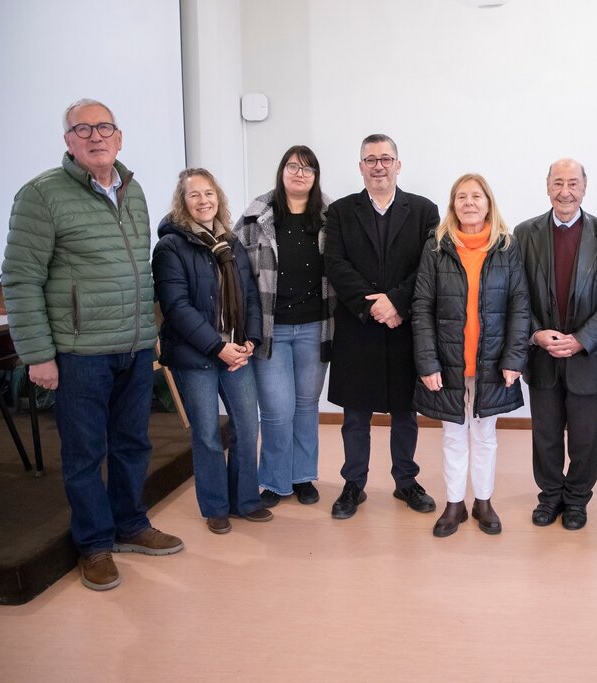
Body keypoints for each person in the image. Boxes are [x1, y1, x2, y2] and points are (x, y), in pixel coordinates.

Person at [1, 98, 183, 591]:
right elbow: (20, 280)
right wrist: (38, 354)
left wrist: (151, 332)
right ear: (68, 142)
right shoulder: (41, 195)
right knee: (84, 454)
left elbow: (139, 271)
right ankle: (94, 544)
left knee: (133, 444)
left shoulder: (136, 190)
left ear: (119, 137)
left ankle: (130, 525)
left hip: (135, 345)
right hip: (79, 353)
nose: (95, 136)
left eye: (104, 127)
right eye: (82, 129)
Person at [324, 134, 439, 519]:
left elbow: (429, 266)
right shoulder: (340, 212)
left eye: (385, 158)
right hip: (359, 328)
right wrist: (374, 306)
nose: (378, 166)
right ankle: (353, 484)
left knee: (406, 412)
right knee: (356, 415)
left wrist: (397, 302)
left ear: (398, 165)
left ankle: (406, 481)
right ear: (360, 167)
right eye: (370, 159)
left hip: (405, 327)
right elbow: (336, 265)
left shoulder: (425, 211)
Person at [153, 169, 271, 534]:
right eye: (194, 195)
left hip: (236, 352)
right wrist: (218, 347)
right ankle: (216, 507)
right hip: (197, 358)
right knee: (206, 433)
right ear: (182, 202)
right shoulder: (171, 247)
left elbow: (249, 294)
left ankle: (245, 500)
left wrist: (250, 339)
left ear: (218, 197)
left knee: (247, 427)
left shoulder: (230, 242)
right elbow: (177, 308)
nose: (204, 201)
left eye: (209, 193)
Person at [412, 174, 530, 537]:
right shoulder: (436, 247)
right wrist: (428, 362)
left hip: (491, 362)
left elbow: (519, 306)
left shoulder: (506, 248)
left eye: (476, 196)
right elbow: (422, 306)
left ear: (488, 203)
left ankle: (483, 501)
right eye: (461, 197)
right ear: (453, 206)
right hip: (449, 363)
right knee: (452, 434)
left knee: (485, 435)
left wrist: (514, 359)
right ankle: (453, 504)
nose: (469, 203)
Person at [514, 158, 597, 530]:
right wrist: (534, 333)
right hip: (542, 354)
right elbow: (517, 294)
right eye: (558, 183)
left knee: (585, 438)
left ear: (585, 187)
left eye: (573, 183)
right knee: (545, 435)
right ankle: (549, 497)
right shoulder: (524, 234)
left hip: (587, 357)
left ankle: (577, 500)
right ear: (547, 187)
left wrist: (582, 339)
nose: (566, 191)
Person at [235, 146, 332, 508]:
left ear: (315, 176)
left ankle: (302, 476)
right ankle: (275, 481)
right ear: (282, 171)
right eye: (293, 166)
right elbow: (236, 272)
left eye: (308, 168)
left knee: (306, 407)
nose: (299, 174)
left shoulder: (329, 215)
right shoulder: (256, 214)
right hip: (270, 330)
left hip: (314, 327)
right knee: (276, 411)